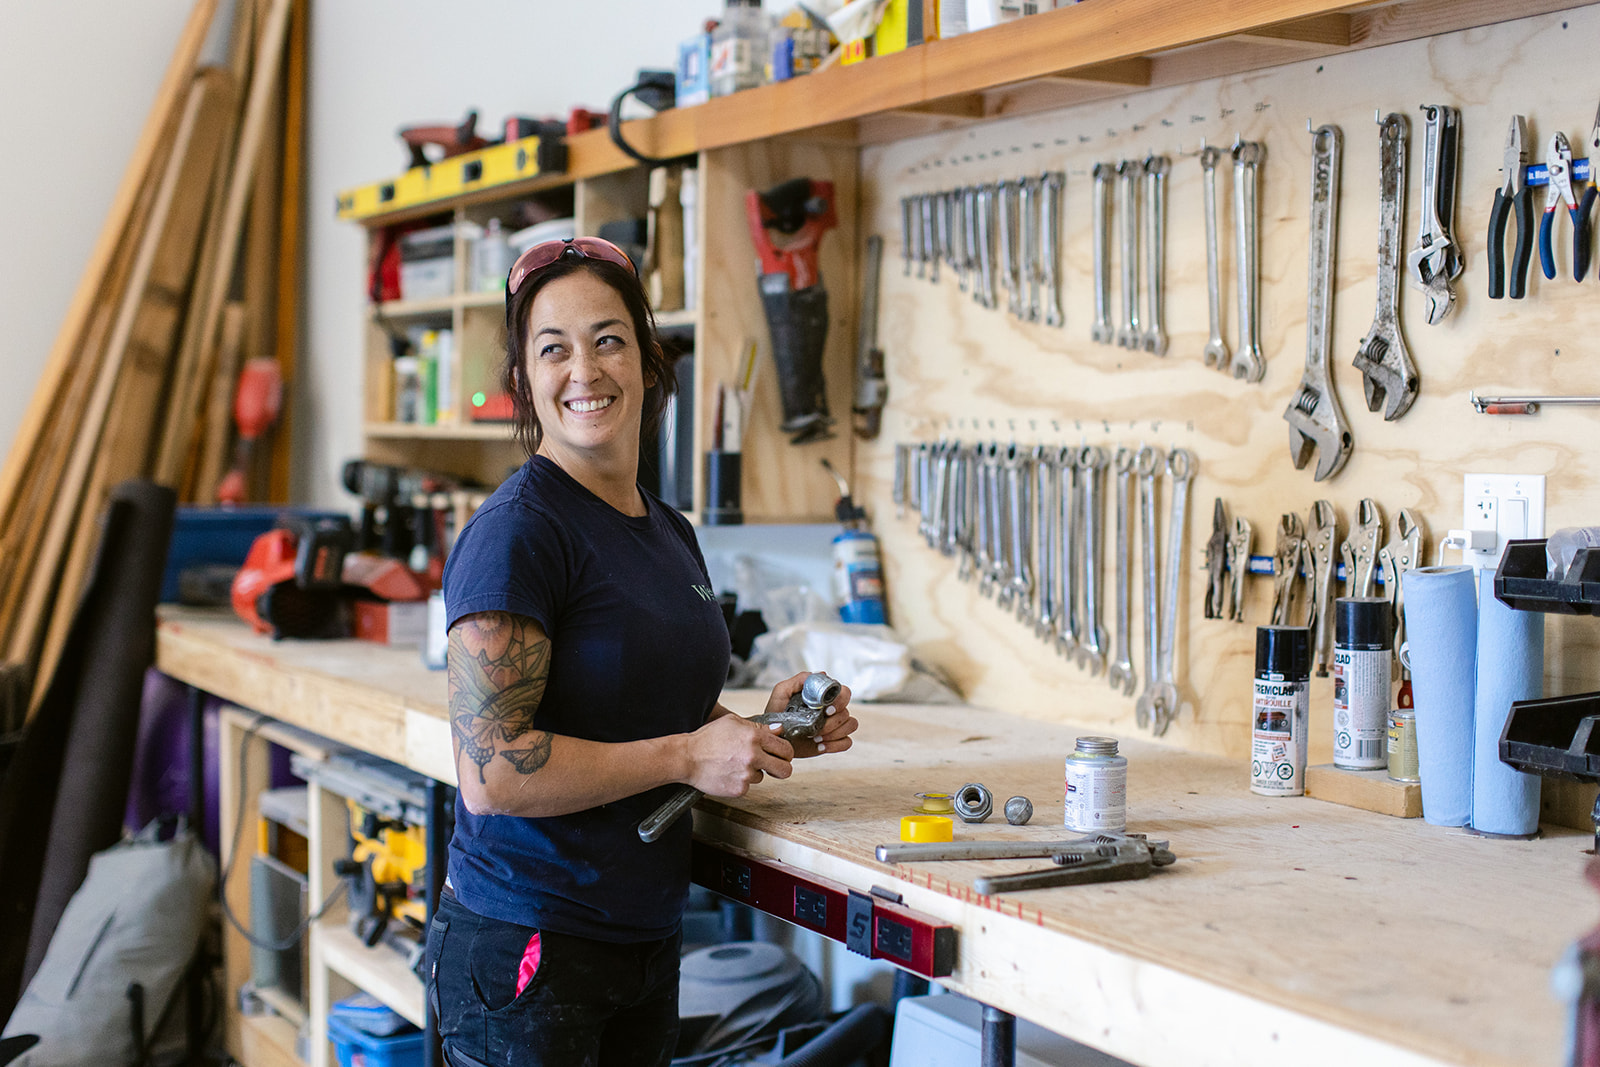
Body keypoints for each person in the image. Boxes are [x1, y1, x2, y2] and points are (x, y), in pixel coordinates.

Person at [428, 235, 859, 1067]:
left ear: (650, 361)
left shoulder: (668, 532)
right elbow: (495, 773)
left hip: (643, 939)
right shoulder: (519, 533)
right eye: (553, 348)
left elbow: (663, 719)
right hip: (531, 947)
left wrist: (763, 725)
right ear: (524, 381)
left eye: (608, 339)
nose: (584, 370)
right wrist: (687, 753)